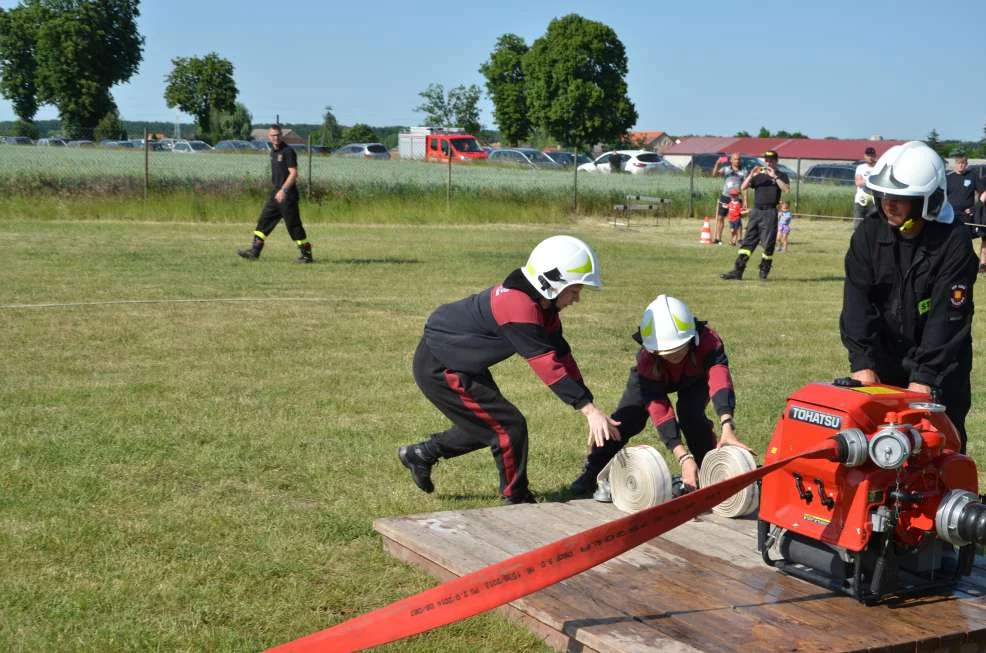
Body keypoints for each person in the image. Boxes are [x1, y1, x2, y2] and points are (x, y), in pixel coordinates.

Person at [398, 235, 621, 504]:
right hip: (440, 365)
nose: (577, 299)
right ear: (552, 282)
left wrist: (590, 405)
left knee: (489, 424)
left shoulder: (543, 306)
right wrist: (587, 409)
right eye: (574, 291)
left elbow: (561, 356)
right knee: (507, 426)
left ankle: (420, 454)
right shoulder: (519, 306)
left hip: (463, 362)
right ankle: (516, 500)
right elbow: (546, 365)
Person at [840, 141, 977, 452]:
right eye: (884, 195)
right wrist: (862, 363)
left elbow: (948, 318)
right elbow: (856, 304)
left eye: (900, 198)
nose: (888, 204)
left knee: (937, 448)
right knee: (876, 450)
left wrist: (924, 378)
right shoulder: (868, 234)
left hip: (940, 364)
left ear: (927, 201)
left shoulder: (954, 243)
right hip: (883, 358)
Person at [570, 294, 752, 497]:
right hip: (653, 381)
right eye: (666, 353)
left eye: (679, 349)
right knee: (627, 420)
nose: (674, 356)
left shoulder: (709, 341)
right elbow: (660, 410)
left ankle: (711, 470)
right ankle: (592, 469)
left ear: (692, 337)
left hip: (694, 378)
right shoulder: (647, 360)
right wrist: (682, 456)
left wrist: (727, 426)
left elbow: (720, 380)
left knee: (692, 416)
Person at [237, 124, 314, 263]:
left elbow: (294, 174)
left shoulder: (288, 151)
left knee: (293, 226)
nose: (276, 138)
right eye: (273, 135)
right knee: (264, 221)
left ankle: (306, 255)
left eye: (278, 135)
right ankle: (255, 252)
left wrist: (284, 191)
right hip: (276, 194)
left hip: (287, 195)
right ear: (269, 136)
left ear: (281, 135)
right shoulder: (273, 152)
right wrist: (278, 191)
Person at [720, 150, 790, 281]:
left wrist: (775, 177)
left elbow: (786, 189)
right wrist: (751, 175)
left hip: (770, 212)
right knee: (748, 242)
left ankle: (764, 271)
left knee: (768, 243)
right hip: (756, 212)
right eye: (766, 160)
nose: (768, 162)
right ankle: (738, 271)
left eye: (771, 160)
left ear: (776, 161)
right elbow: (743, 187)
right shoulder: (758, 175)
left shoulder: (781, 175)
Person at [946, 150, 986, 273]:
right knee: (951, 241)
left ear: (966, 163)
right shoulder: (948, 178)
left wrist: (975, 208)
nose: (961, 165)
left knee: (965, 241)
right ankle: (951, 264)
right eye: (958, 163)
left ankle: (974, 264)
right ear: (954, 164)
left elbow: (984, 193)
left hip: (967, 215)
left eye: (963, 163)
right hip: (951, 215)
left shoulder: (972, 176)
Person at [712, 152, 749, 245]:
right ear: (731, 160)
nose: (737, 161)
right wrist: (717, 164)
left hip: (737, 198)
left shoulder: (744, 171)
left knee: (737, 219)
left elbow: (746, 187)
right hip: (725, 196)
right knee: (720, 217)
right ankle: (718, 238)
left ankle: (740, 239)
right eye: (735, 159)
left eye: (739, 159)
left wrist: (745, 200)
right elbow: (714, 175)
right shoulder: (726, 169)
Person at [853, 146, 879, 229]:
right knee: (858, 225)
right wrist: (871, 180)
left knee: (873, 224)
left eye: (872, 155)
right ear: (864, 156)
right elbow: (858, 182)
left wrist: (865, 180)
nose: (870, 157)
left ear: (875, 156)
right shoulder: (860, 168)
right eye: (868, 155)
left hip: (874, 201)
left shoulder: (878, 168)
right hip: (861, 200)